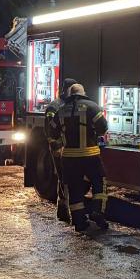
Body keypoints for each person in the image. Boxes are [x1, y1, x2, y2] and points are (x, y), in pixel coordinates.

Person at [50, 83, 109, 233]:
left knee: (75, 189)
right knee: (99, 182)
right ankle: (97, 211)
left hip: (69, 158)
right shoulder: (92, 106)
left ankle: (79, 222)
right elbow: (103, 127)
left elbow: (52, 131)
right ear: (83, 93)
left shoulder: (61, 110)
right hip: (90, 155)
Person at [45, 78, 78, 223]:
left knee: (67, 178)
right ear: (64, 89)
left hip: (69, 149)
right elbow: (50, 130)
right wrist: (57, 147)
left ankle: (65, 209)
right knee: (64, 179)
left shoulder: (71, 104)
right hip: (60, 149)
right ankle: (63, 210)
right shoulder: (54, 107)